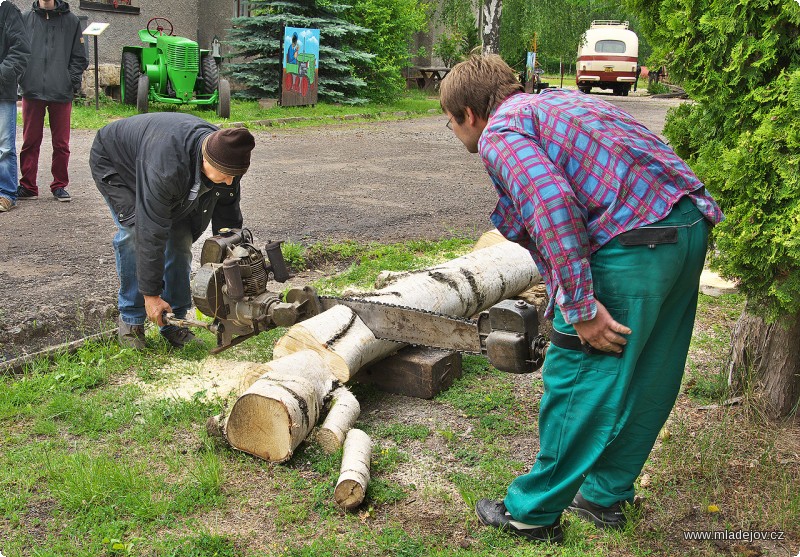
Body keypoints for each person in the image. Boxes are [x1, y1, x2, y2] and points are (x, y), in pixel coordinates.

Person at [439, 55, 723, 543]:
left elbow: (552, 204)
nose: (453, 131)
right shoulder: (563, 103)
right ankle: (604, 495)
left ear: (468, 113)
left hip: (634, 245)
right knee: (652, 371)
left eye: (449, 121)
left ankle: (533, 513)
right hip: (686, 228)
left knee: (577, 375)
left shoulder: (499, 132)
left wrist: (581, 306)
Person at [91, 113, 256, 350]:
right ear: (207, 160)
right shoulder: (167, 168)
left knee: (180, 238)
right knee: (134, 234)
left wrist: (233, 275)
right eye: (227, 176)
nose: (230, 182)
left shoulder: (228, 157)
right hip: (117, 163)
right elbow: (151, 231)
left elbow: (228, 227)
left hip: (156, 159)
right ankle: (132, 320)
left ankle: (175, 321)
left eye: (235, 177)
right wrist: (151, 296)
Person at [16, 0, 88, 203]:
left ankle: (59, 185)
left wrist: (70, 81)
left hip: (61, 91)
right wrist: (23, 77)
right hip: (32, 90)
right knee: (30, 141)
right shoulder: (25, 18)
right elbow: (17, 51)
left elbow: (80, 57)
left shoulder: (72, 20)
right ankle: (28, 186)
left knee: (61, 143)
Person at [0, 0, 31, 213]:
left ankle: (6, 193)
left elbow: (21, 49)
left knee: (4, 146)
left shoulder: (8, 10)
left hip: (2, 91)